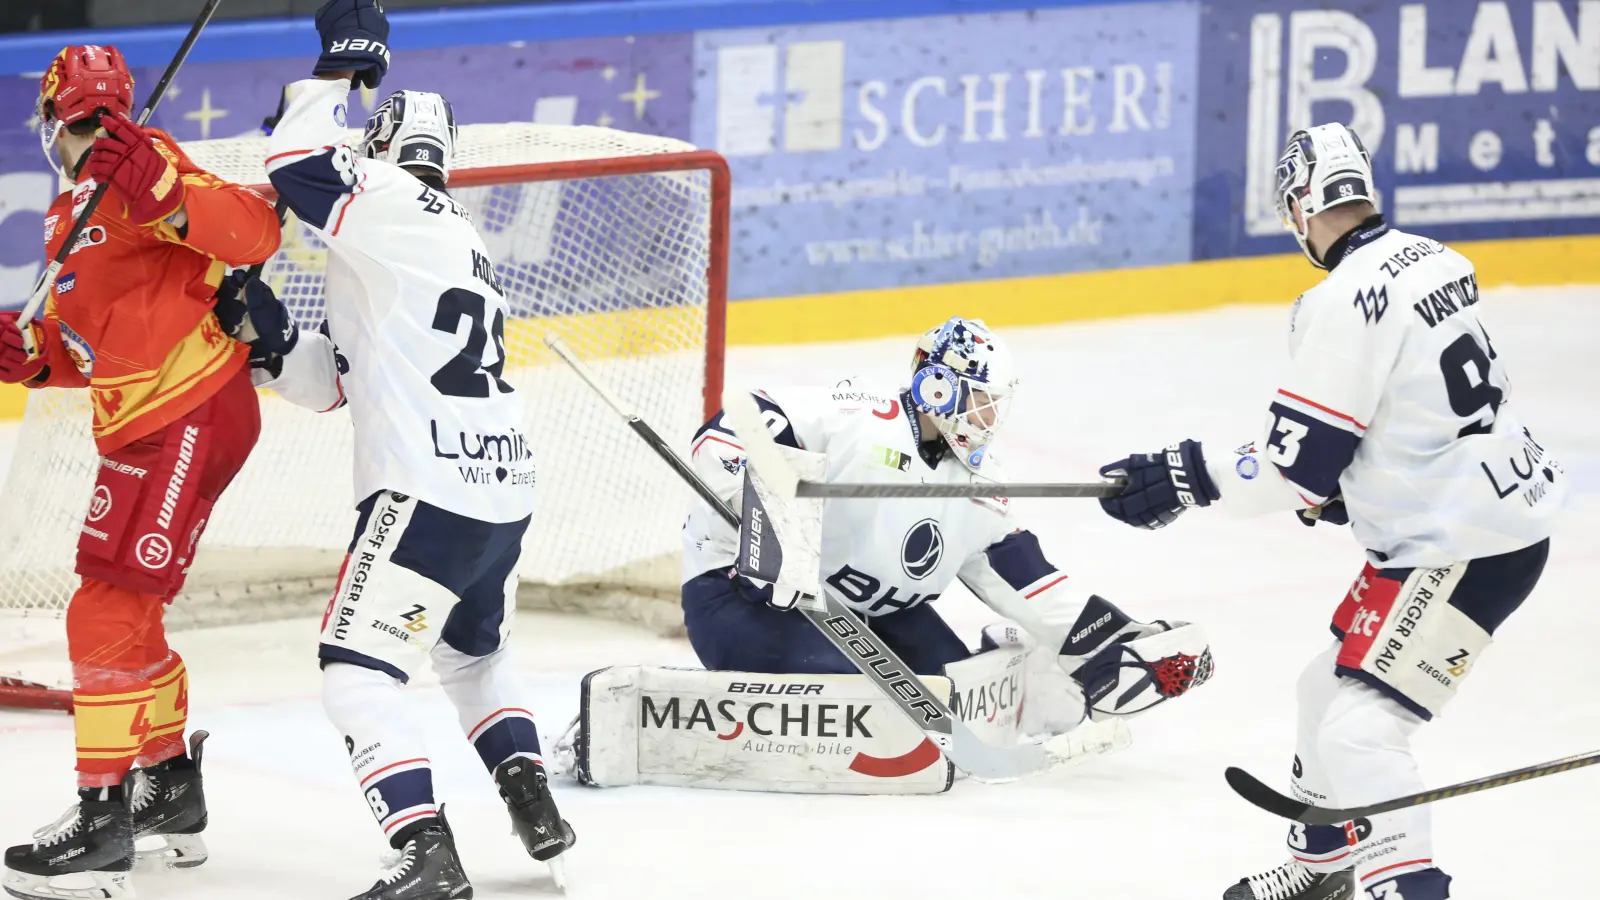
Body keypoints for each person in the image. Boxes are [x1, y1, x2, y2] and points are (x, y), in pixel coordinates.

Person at [1095, 123, 1567, 900]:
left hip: (1462, 543)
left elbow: (1295, 467)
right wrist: (1349, 483)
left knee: (1361, 732)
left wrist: (1182, 477)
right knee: (1325, 692)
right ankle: (1325, 867)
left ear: (1297, 208)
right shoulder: (1435, 260)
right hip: (1485, 514)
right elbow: (1415, 412)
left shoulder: (1343, 300)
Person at [215, 2, 571, 896]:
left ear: (377, 144)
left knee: (357, 670)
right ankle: (531, 798)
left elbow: (295, 160)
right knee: (471, 654)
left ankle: (425, 852)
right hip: (500, 493)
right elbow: (341, 382)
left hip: (427, 493)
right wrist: (272, 347)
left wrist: (340, 65)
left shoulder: (387, 202)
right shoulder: (446, 235)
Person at [0, 44, 281, 900]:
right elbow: (102, 345)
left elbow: (256, 228)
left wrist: (166, 190)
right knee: (125, 609)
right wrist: (34, 357)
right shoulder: (68, 213)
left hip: (188, 411)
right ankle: (169, 791)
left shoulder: (148, 167)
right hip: (140, 425)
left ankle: (101, 821)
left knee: (105, 608)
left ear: (54, 118)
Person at [681, 315, 1213, 729]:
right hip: (742, 596)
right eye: (981, 403)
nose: (989, 420)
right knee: (875, 707)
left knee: (957, 706)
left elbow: (1024, 575)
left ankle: (1018, 666)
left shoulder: (979, 483)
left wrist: (1107, 636)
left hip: (868, 617)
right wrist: (769, 516)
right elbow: (725, 432)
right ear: (938, 386)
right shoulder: (859, 416)